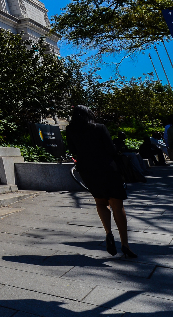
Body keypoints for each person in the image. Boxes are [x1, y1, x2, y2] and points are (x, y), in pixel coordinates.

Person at [66, 105, 137, 258]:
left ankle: (108, 233)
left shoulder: (70, 130)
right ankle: (125, 244)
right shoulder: (99, 128)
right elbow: (110, 149)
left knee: (100, 202)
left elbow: (72, 150)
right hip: (107, 168)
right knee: (117, 205)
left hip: (87, 170)